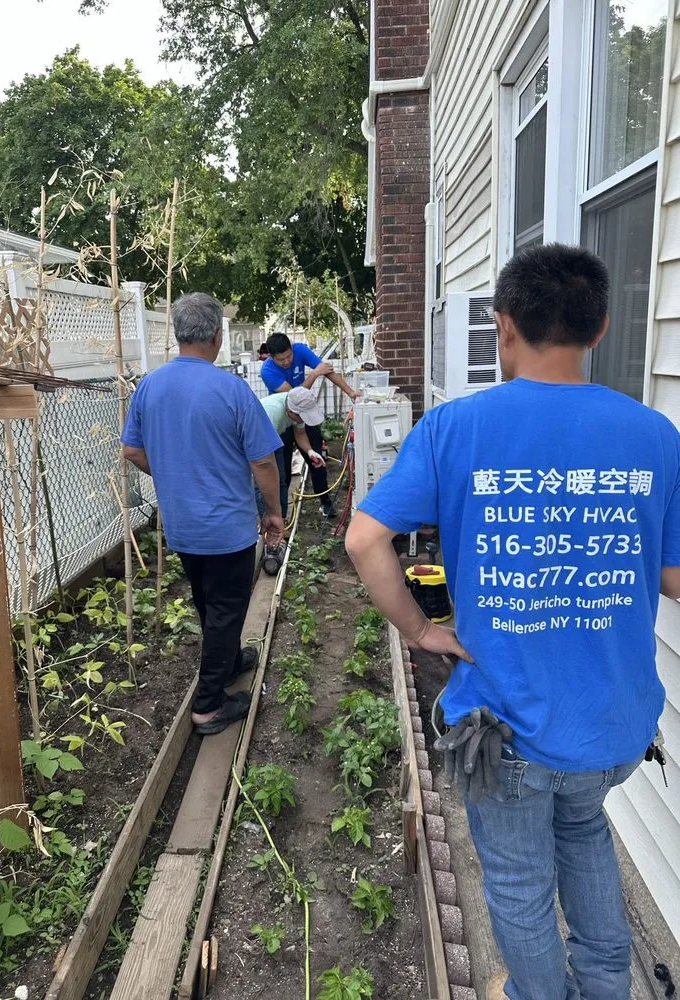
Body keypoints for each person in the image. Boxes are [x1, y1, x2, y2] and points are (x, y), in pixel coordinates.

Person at [345, 243, 680, 1000]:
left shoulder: (456, 428)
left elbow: (365, 539)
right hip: (613, 728)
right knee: (585, 831)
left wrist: (421, 632)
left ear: (503, 326)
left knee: (521, 884)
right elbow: (673, 577)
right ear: (599, 330)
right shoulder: (655, 436)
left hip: (509, 727)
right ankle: (606, 988)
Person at [122, 292, 284, 737]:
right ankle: (208, 707)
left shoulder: (150, 386)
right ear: (217, 336)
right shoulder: (231, 389)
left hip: (183, 525)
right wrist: (273, 511)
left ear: (178, 335)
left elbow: (132, 450)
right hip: (227, 528)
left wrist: (172, 473)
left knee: (208, 602)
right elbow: (263, 461)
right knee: (227, 611)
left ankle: (228, 662)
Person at [262, 332, 360, 517]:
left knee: (316, 458)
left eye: (289, 356)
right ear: (271, 357)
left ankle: (325, 502)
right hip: (284, 417)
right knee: (283, 470)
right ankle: (280, 513)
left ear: (292, 349)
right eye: (281, 360)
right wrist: (314, 374)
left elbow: (326, 370)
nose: (287, 362)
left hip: (302, 411)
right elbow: (294, 396)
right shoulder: (267, 371)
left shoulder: (300, 350)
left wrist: (350, 392)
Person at [254, 386, 327, 521]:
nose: (303, 420)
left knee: (280, 479)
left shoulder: (295, 406)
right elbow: (263, 457)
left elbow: (300, 433)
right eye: (303, 417)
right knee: (263, 483)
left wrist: (310, 452)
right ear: (292, 412)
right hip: (257, 442)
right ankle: (267, 521)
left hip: (273, 438)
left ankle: (281, 518)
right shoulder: (273, 412)